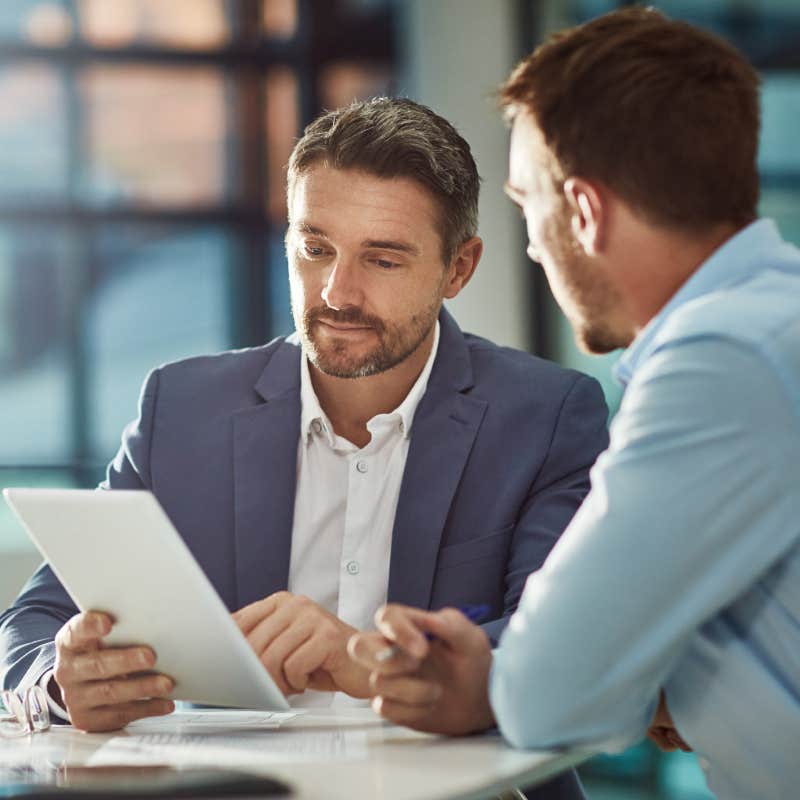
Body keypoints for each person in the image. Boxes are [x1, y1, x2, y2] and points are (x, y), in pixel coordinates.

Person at [1, 96, 606, 767]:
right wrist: (60, 682)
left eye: (381, 259)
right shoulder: (182, 406)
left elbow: (559, 650)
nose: (337, 293)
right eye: (315, 249)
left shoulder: (547, 415)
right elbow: (31, 624)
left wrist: (364, 660)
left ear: (458, 268)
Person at [348, 9, 800, 800]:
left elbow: (548, 692)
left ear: (584, 212)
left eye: (529, 205)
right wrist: (656, 682)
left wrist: (495, 680)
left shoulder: (721, 361)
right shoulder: (772, 323)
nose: (529, 243)